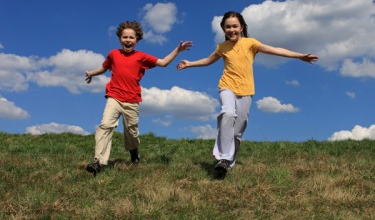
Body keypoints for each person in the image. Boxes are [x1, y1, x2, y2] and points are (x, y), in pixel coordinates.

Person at [177, 11, 318, 175]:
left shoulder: (251, 43)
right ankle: (222, 157)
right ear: (224, 29)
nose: (231, 30)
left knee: (237, 130)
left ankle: (228, 163)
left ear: (242, 27)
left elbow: (275, 50)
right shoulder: (222, 47)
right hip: (227, 86)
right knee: (228, 113)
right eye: (227, 27)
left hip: (246, 90)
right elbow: (208, 61)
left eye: (235, 26)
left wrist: (299, 56)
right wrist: (190, 63)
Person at [86, 20, 192, 176]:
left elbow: (163, 63)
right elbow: (104, 67)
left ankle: (134, 153)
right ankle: (98, 162)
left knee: (131, 132)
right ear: (120, 39)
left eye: (131, 38)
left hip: (132, 100)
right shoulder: (113, 54)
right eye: (124, 37)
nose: (128, 40)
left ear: (136, 40)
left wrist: (178, 50)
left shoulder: (141, 57)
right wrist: (91, 73)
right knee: (105, 125)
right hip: (114, 96)